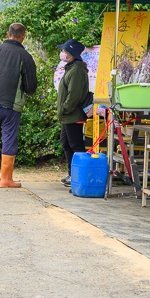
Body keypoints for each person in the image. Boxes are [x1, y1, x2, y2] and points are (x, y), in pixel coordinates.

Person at [0, 23, 38, 188]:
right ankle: (6, 179)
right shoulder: (25, 56)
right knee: (9, 138)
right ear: (23, 36)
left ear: (7, 33)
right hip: (11, 105)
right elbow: (31, 87)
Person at [57, 39, 90, 187]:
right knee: (66, 143)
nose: (63, 54)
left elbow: (74, 95)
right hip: (67, 116)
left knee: (75, 145)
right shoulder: (71, 68)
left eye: (66, 51)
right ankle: (72, 173)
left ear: (73, 54)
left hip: (72, 115)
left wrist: (64, 108)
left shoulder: (77, 69)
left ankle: (79, 176)